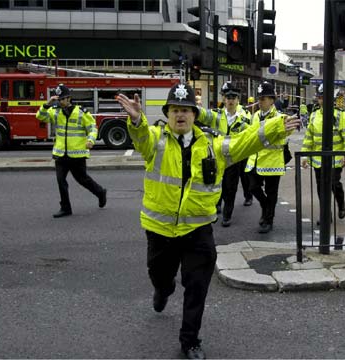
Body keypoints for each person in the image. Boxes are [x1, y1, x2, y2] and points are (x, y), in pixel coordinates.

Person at [116, 83, 300, 359]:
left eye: (186, 110)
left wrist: (275, 127)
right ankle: (163, 290)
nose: (181, 115)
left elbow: (246, 140)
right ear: (168, 114)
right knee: (160, 276)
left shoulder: (215, 146)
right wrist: (135, 120)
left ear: (194, 114)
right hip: (160, 231)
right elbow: (141, 137)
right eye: (175, 110)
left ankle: (189, 341)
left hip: (198, 231)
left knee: (197, 287)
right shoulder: (155, 140)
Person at [36, 84, 107, 218]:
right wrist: (47, 104)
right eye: (58, 99)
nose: (60, 102)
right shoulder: (55, 111)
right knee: (60, 180)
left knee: (83, 180)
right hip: (61, 154)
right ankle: (65, 208)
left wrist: (91, 140)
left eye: (62, 99)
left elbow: (92, 127)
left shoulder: (81, 112)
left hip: (77, 154)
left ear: (69, 99)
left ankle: (100, 192)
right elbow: (40, 117)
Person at [196, 81, 253, 226]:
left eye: (234, 97)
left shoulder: (244, 119)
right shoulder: (217, 115)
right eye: (228, 97)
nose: (231, 100)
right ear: (224, 99)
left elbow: (250, 135)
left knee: (230, 188)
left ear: (238, 99)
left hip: (233, 159)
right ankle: (216, 208)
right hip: (217, 158)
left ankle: (227, 215)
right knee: (215, 184)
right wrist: (192, 107)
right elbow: (203, 114)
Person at [301, 83, 345, 222]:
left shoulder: (340, 115)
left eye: (325, 97)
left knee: (334, 184)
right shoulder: (314, 115)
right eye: (320, 97)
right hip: (318, 159)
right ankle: (326, 214)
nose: (322, 99)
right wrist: (305, 155)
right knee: (321, 188)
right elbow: (308, 137)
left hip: (335, 158)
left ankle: (341, 204)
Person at [245, 81, 289, 233]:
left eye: (263, 98)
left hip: (272, 161)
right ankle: (265, 206)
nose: (260, 101)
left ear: (272, 100)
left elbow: (283, 138)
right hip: (255, 159)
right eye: (259, 98)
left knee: (272, 193)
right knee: (252, 187)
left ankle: (268, 220)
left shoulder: (280, 117)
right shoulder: (255, 115)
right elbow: (251, 134)